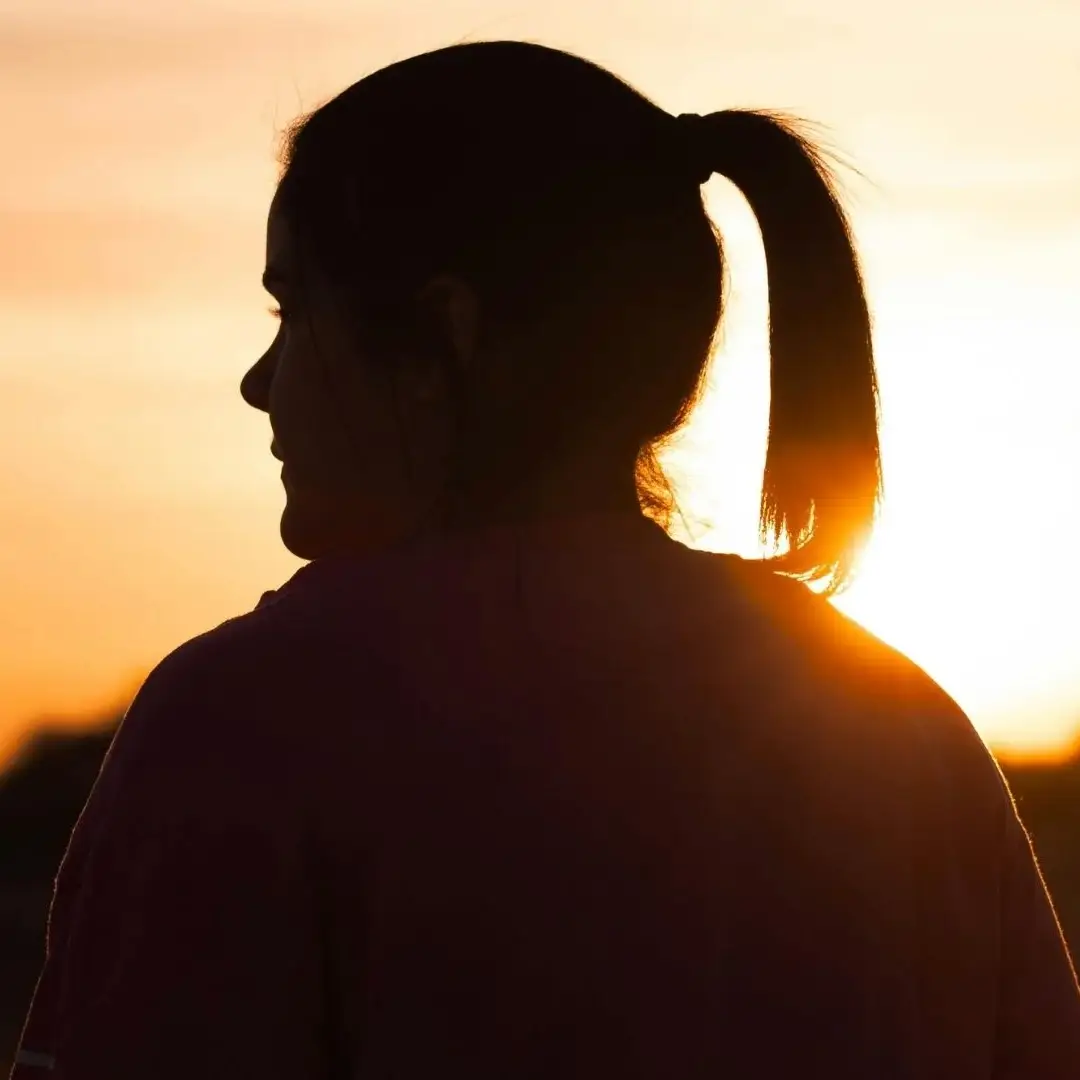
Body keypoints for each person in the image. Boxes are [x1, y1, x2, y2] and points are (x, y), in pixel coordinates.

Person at [10, 40, 1080, 1080]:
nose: (260, 380)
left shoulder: (247, 724)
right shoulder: (899, 728)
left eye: (295, 311)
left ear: (447, 334)